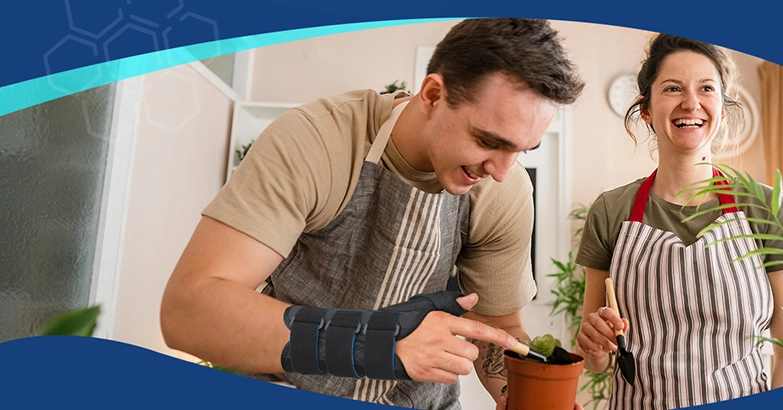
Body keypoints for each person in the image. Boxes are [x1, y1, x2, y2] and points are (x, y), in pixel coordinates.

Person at [160, 18, 585, 409]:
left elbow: (499, 326)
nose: (500, 170)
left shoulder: (503, 190)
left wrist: (525, 396)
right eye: (489, 141)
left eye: (521, 150)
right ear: (433, 95)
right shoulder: (318, 142)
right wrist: (377, 344)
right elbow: (189, 312)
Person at [573, 34, 783, 409]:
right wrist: (593, 343)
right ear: (647, 109)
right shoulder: (610, 212)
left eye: (706, 88)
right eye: (672, 88)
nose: (691, 102)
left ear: (721, 105)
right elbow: (596, 360)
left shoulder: (767, 208)